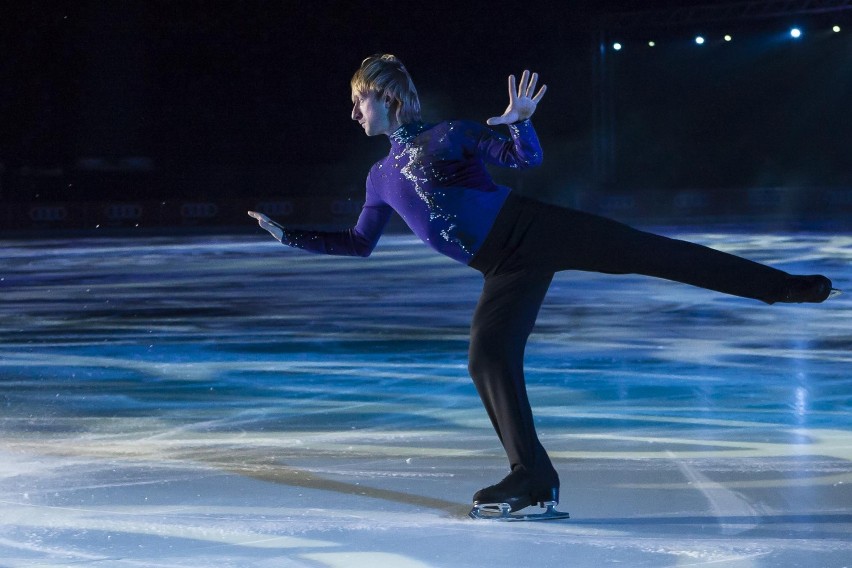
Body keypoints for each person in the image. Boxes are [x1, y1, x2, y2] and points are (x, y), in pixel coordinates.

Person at [249, 54, 836, 519]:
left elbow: (520, 157)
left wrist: (521, 121)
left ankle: (781, 287)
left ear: (387, 95)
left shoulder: (449, 135)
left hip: (536, 229)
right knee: (487, 355)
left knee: (652, 252)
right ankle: (532, 476)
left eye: (358, 101)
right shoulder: (378, 177)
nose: (354, 114)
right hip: (503, 267)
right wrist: (290, 237)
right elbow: (359, 243)